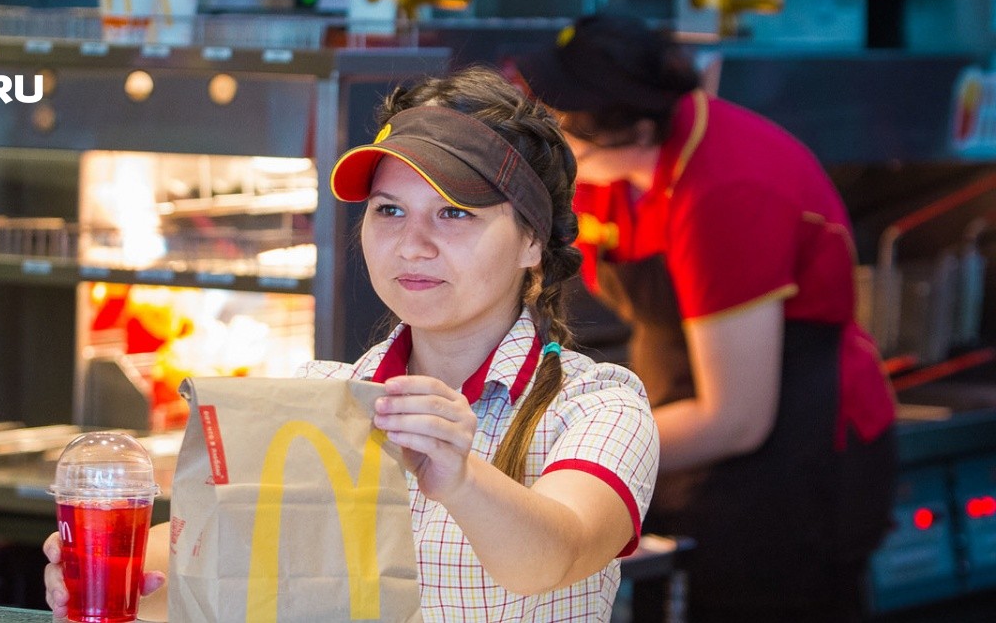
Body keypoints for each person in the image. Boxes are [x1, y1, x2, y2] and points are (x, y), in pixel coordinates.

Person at [43, 66, 659, 622]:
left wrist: (461, 476)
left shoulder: (597, 405)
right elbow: (209, 572)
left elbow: (556, 558)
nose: (412, 244)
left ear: (533, 242)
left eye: (454, 214)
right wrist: (106, 572)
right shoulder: (317, 395)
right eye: (389, 211)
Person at [508, 12, 899, 623]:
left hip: (793, 454)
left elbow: (737, 419)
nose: (554, 149)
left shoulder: (727, 189)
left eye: (566, 136)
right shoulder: (608, 162)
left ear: (635, 129)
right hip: (683, 420)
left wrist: (574, 451)